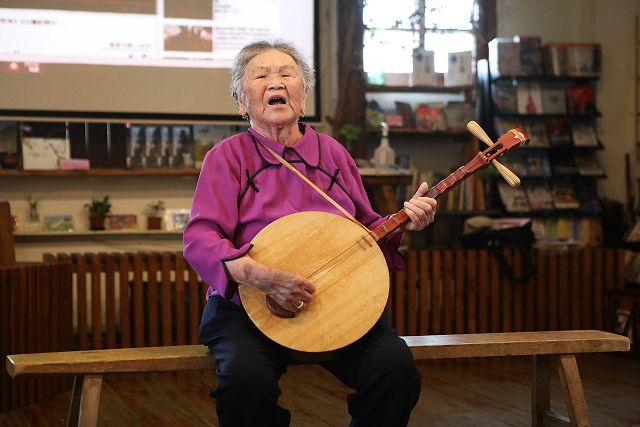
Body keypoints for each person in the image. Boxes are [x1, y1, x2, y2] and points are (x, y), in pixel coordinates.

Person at [183, 40, 437, 427]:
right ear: (241, 102)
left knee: (394, 371)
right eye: (260, 75)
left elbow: (368, 229)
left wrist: (406, 219)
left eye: (287, 74)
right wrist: (260, 276)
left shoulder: (333, 153)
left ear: (304, 96)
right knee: (245, 384)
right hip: (248, 308)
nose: (275, 83)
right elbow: (201, 237)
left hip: (335, 302)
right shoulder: (226, 156)